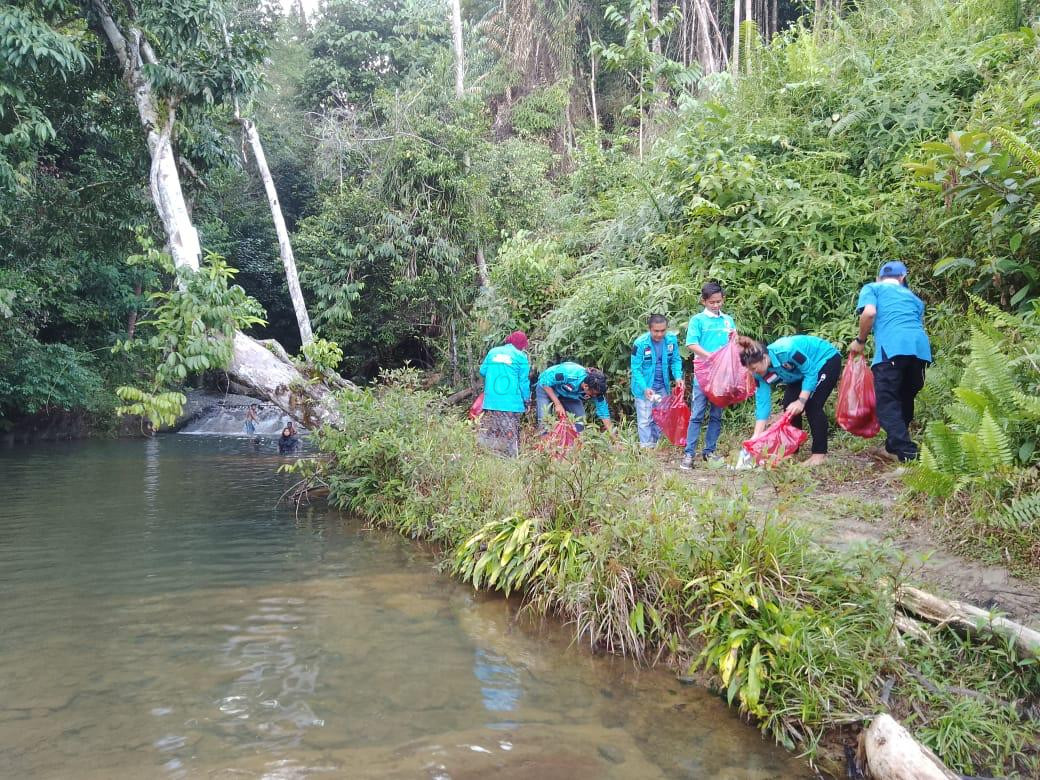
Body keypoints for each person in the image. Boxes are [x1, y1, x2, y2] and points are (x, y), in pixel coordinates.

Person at [849, 260, 931, 462]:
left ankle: (908, 455)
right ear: (902, 278)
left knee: (886, 402)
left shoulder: (873, 288)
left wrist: (860, 341)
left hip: (892, 350)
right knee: (904, 398)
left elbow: (869, 312)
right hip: (920, 351)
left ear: (879, 278)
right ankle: (892, 448)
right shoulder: (914, 298)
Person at [739, 334, 842, 466]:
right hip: (799, 374)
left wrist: (801, 401)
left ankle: (819, 455)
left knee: (812, 405)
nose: (753, 372)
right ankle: (794, 450)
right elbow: (762, 402)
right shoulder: (758, 374)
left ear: (764, 358)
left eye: (753, 368)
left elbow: (810, 372)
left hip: (824, 360)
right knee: (789, 406)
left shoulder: (787, 350)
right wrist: (756, 436)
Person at [681, 283, 736, 469]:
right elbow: (691, 344)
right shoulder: (697, 321)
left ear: (723, 300)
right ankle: (689, 454)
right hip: (703, 374)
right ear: (704, 301)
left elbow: (733, 343)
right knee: (697, 414)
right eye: (712, 302)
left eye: (719, 301)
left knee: (716, 415)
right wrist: (711, 357)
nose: (716, 305)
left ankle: (710, 452)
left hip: (722, 376)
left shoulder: (728, 320)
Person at [630, 314, 684, 448]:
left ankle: (658, 447)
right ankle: (647, 449)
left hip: (662, 386)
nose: (660, 334)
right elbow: (635, 369)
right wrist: (644, 388)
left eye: (662, 330)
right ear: (649, 329)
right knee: (645, 420)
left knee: (661, 417)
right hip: (644, 388)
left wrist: (677, 377)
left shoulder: (671, 340)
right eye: (656, 331)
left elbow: (676, 360)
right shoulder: (640, 343)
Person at [477, 331, 532, 457]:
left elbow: (482, 371)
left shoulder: (493, 352)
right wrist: (527, 400)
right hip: (511, 403)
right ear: (522, 344)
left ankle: (488, 455)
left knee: (491, 430)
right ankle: (511, 459)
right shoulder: (521, 357)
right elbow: (524, 382)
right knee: (510, 432)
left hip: (491, 401)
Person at [535, 362, 613, 435]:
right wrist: (557, 404)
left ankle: (574, 444)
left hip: (569, 394)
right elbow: (545, 381)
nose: (595, 397)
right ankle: (544, 444)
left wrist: (612, 435)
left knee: (580, 421)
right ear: (586, 386)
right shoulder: (569, 374)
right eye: (593, 394)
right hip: (546, 387)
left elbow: (604, 413)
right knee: (544, 421)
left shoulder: (597, 391)